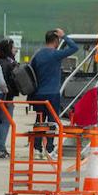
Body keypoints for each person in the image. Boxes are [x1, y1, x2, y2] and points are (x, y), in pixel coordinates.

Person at [29, 28, 78, 156]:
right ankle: (50, 148)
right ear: (56, 41)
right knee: (51, 121)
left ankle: (37, 148)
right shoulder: (56, 54)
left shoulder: (38, 55)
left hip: (38, 94)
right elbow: (74, 48)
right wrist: (64, 36)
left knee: (40, 120)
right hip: (52, 94)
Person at [0, 38, 18, 155]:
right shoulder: (10, 64)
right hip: (7, 98)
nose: (16, 50)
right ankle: (0, 147)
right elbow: (11, 83)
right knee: (5, 122)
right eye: (13, 47)